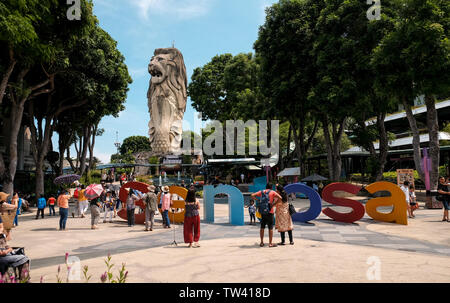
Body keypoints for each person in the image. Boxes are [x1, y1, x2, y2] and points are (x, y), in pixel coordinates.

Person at [251, 183, 282, 247]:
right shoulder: (272, 192)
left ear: (266, 187)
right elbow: (280, 198)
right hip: (270, 211)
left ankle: (262, 242)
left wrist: (258, 200)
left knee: (262, 227)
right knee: (270, 228)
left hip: (262, 212)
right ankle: (270, 243)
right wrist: (273, 204)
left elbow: (252, 195)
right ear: (271, 187)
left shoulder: (261, 191)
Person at [0, 215, 30, 282]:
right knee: (24, 258)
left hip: (4, 252)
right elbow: (2, 253)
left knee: (20, 253)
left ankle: (23, 279)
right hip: (2, 256)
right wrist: (9, 250)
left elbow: (2, 227)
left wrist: (8, 249)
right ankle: (24, 280)